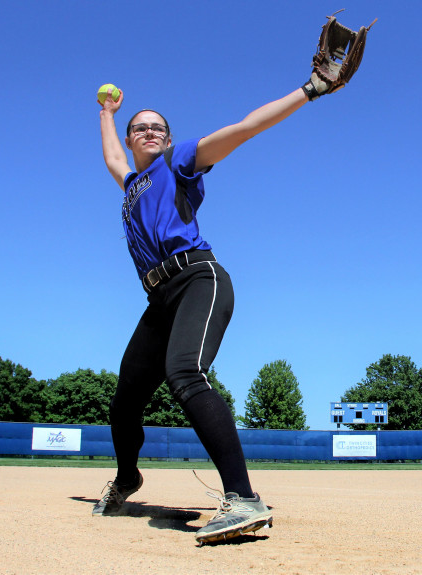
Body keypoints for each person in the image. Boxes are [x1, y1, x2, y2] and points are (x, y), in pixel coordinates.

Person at [93, 78, 330, 545]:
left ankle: (242, 498)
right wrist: (106, 112)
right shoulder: (130, 184)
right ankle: (127, 479)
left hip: (199, 279)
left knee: (184, 372)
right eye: (140, 127)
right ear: (129, 137)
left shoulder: (175, 161)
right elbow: (112, 161)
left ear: (167, 136)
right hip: (157, 300)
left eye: (158, 126)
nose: (150, 132)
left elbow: (245, 129)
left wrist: (310, 89)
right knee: (124, 402)